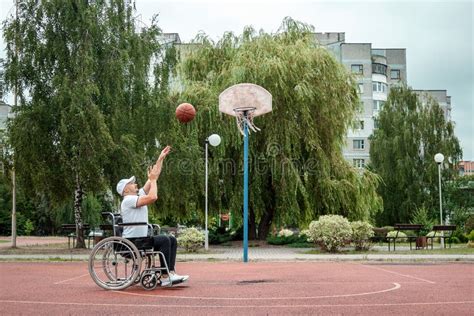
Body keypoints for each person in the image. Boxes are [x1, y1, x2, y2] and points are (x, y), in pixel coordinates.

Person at [116, 145, 188, 286]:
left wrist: (160, 158)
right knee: (164, 240)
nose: (135, 184)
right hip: (134, 241)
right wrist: (153, 180)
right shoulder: (128, 200)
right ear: (125, 190)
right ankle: (165, 275)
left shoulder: (137, 195)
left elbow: (154, 176)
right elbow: (153, 196)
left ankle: (170, 272)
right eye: (131, 183)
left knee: (171, 239)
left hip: (141, 239)